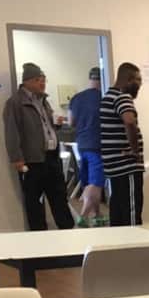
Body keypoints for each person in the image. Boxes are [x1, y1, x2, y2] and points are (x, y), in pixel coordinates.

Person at [3, 62, 74, 230]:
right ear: (27, 81)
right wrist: (16, 158)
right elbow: (11, 132)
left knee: (59, 197)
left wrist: (56, 125)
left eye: (43, 80)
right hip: (32, 160)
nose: (42, 83)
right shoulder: (15, 103)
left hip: (52, 157)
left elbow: (44, 127)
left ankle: (68, 232)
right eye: (38, 80)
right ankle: (39, 237)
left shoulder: (44, 101)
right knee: (35, 202)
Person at [100, 62, 145, 226]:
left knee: (118, 209)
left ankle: (118, 241)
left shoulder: (107, 97)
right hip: (127, 166)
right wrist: (135, 151)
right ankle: (134, 241)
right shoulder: (122, 97)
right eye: (138, 80)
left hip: (114, 166)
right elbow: (129, 121)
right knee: (131, 212)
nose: (140, 84)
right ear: (128, 80)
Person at [68, 67, 106, 227]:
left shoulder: (76, 98)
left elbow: (71, 122)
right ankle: (82, 218)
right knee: (96, 184)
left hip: (81, 145)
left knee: (89, 182)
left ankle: (97, 215)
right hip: (97, 145)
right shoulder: (103, 97)